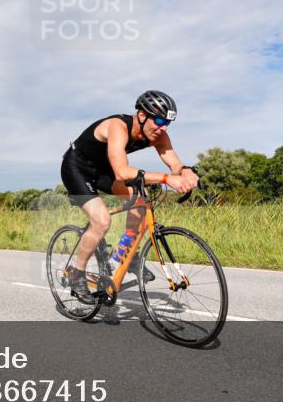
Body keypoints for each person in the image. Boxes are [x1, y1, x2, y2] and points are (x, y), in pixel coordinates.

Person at [61, 90, 199, 303]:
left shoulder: (158, 135)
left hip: (103, 170)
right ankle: (77, 275)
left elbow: (175, 165)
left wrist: (187, 171)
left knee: (140, 199)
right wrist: (167, 179)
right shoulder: (118, 127)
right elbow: (122, 172)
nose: (163, 128)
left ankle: (128, 255)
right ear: (142, 115)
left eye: (167, 123)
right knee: (101, 221)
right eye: (159, 120)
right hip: (76, 168)